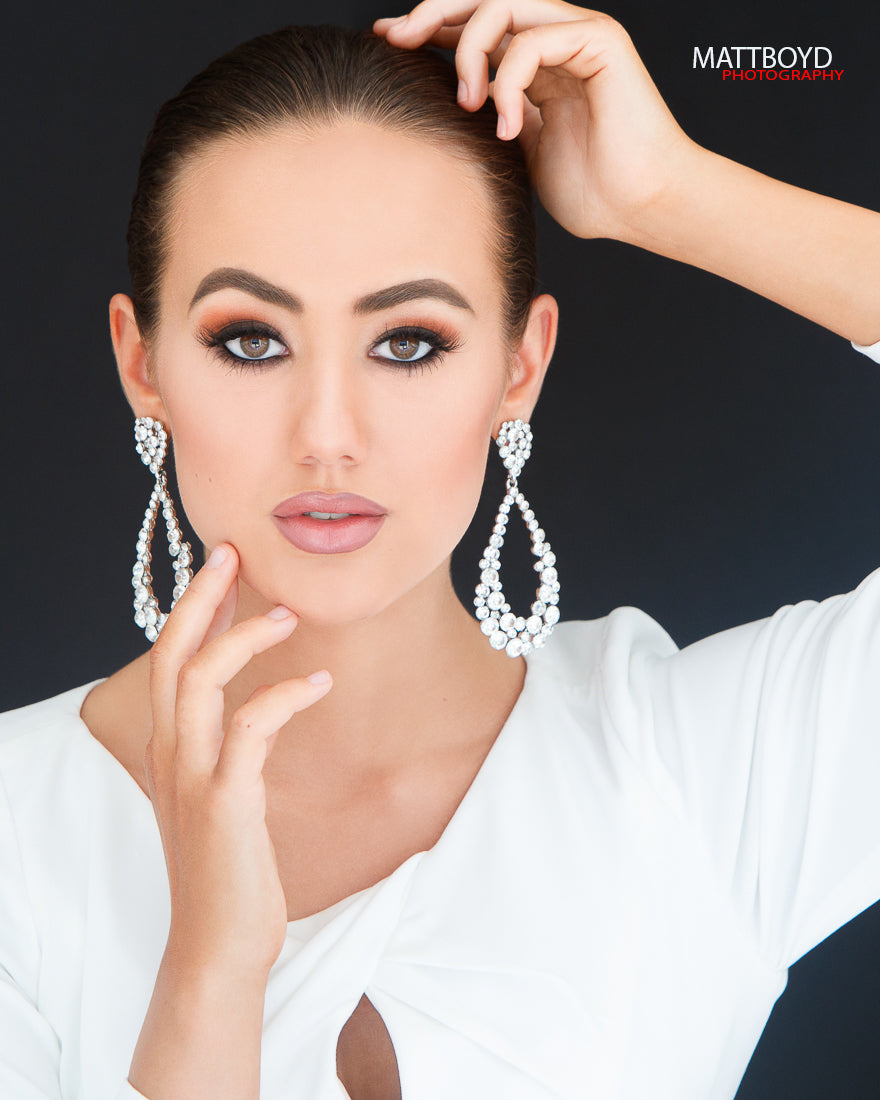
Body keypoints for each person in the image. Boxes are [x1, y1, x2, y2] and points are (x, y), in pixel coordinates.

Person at [1, 2, 879, 1098]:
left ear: (520, 365)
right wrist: (209, 976)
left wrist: (671, 194)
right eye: (251, 340)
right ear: (144, 364)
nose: (327, 431)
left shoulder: (696, 771)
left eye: (408, 341)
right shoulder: (13, 829)